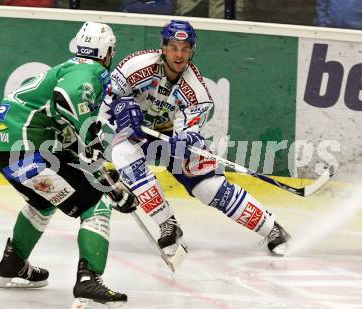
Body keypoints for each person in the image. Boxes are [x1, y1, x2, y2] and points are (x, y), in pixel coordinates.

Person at [99, 20, 291, 259]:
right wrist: (119, 111)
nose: (179, 54)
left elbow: (189, 129)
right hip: (135, 133)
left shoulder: (196, 90)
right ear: (164, 47)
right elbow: (105, 105)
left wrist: (184, 141)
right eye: (174, 47)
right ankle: (167, 224)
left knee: (208, 188)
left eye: (185, 48)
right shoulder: (135, 66)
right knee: (123, 154)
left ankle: (271, 228)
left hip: (169, 138)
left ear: (192, 51)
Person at [0, 21, 137, 308]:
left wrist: (111, 183)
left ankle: (12, 265)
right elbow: (67, 99)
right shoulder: (88, 70)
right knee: (96, 205)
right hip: (27, 152)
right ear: (107, 52)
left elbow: (74, 152)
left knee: (44, 201)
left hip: (8, 150)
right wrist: (101, 172)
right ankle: (88, 281)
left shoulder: (68, 68)